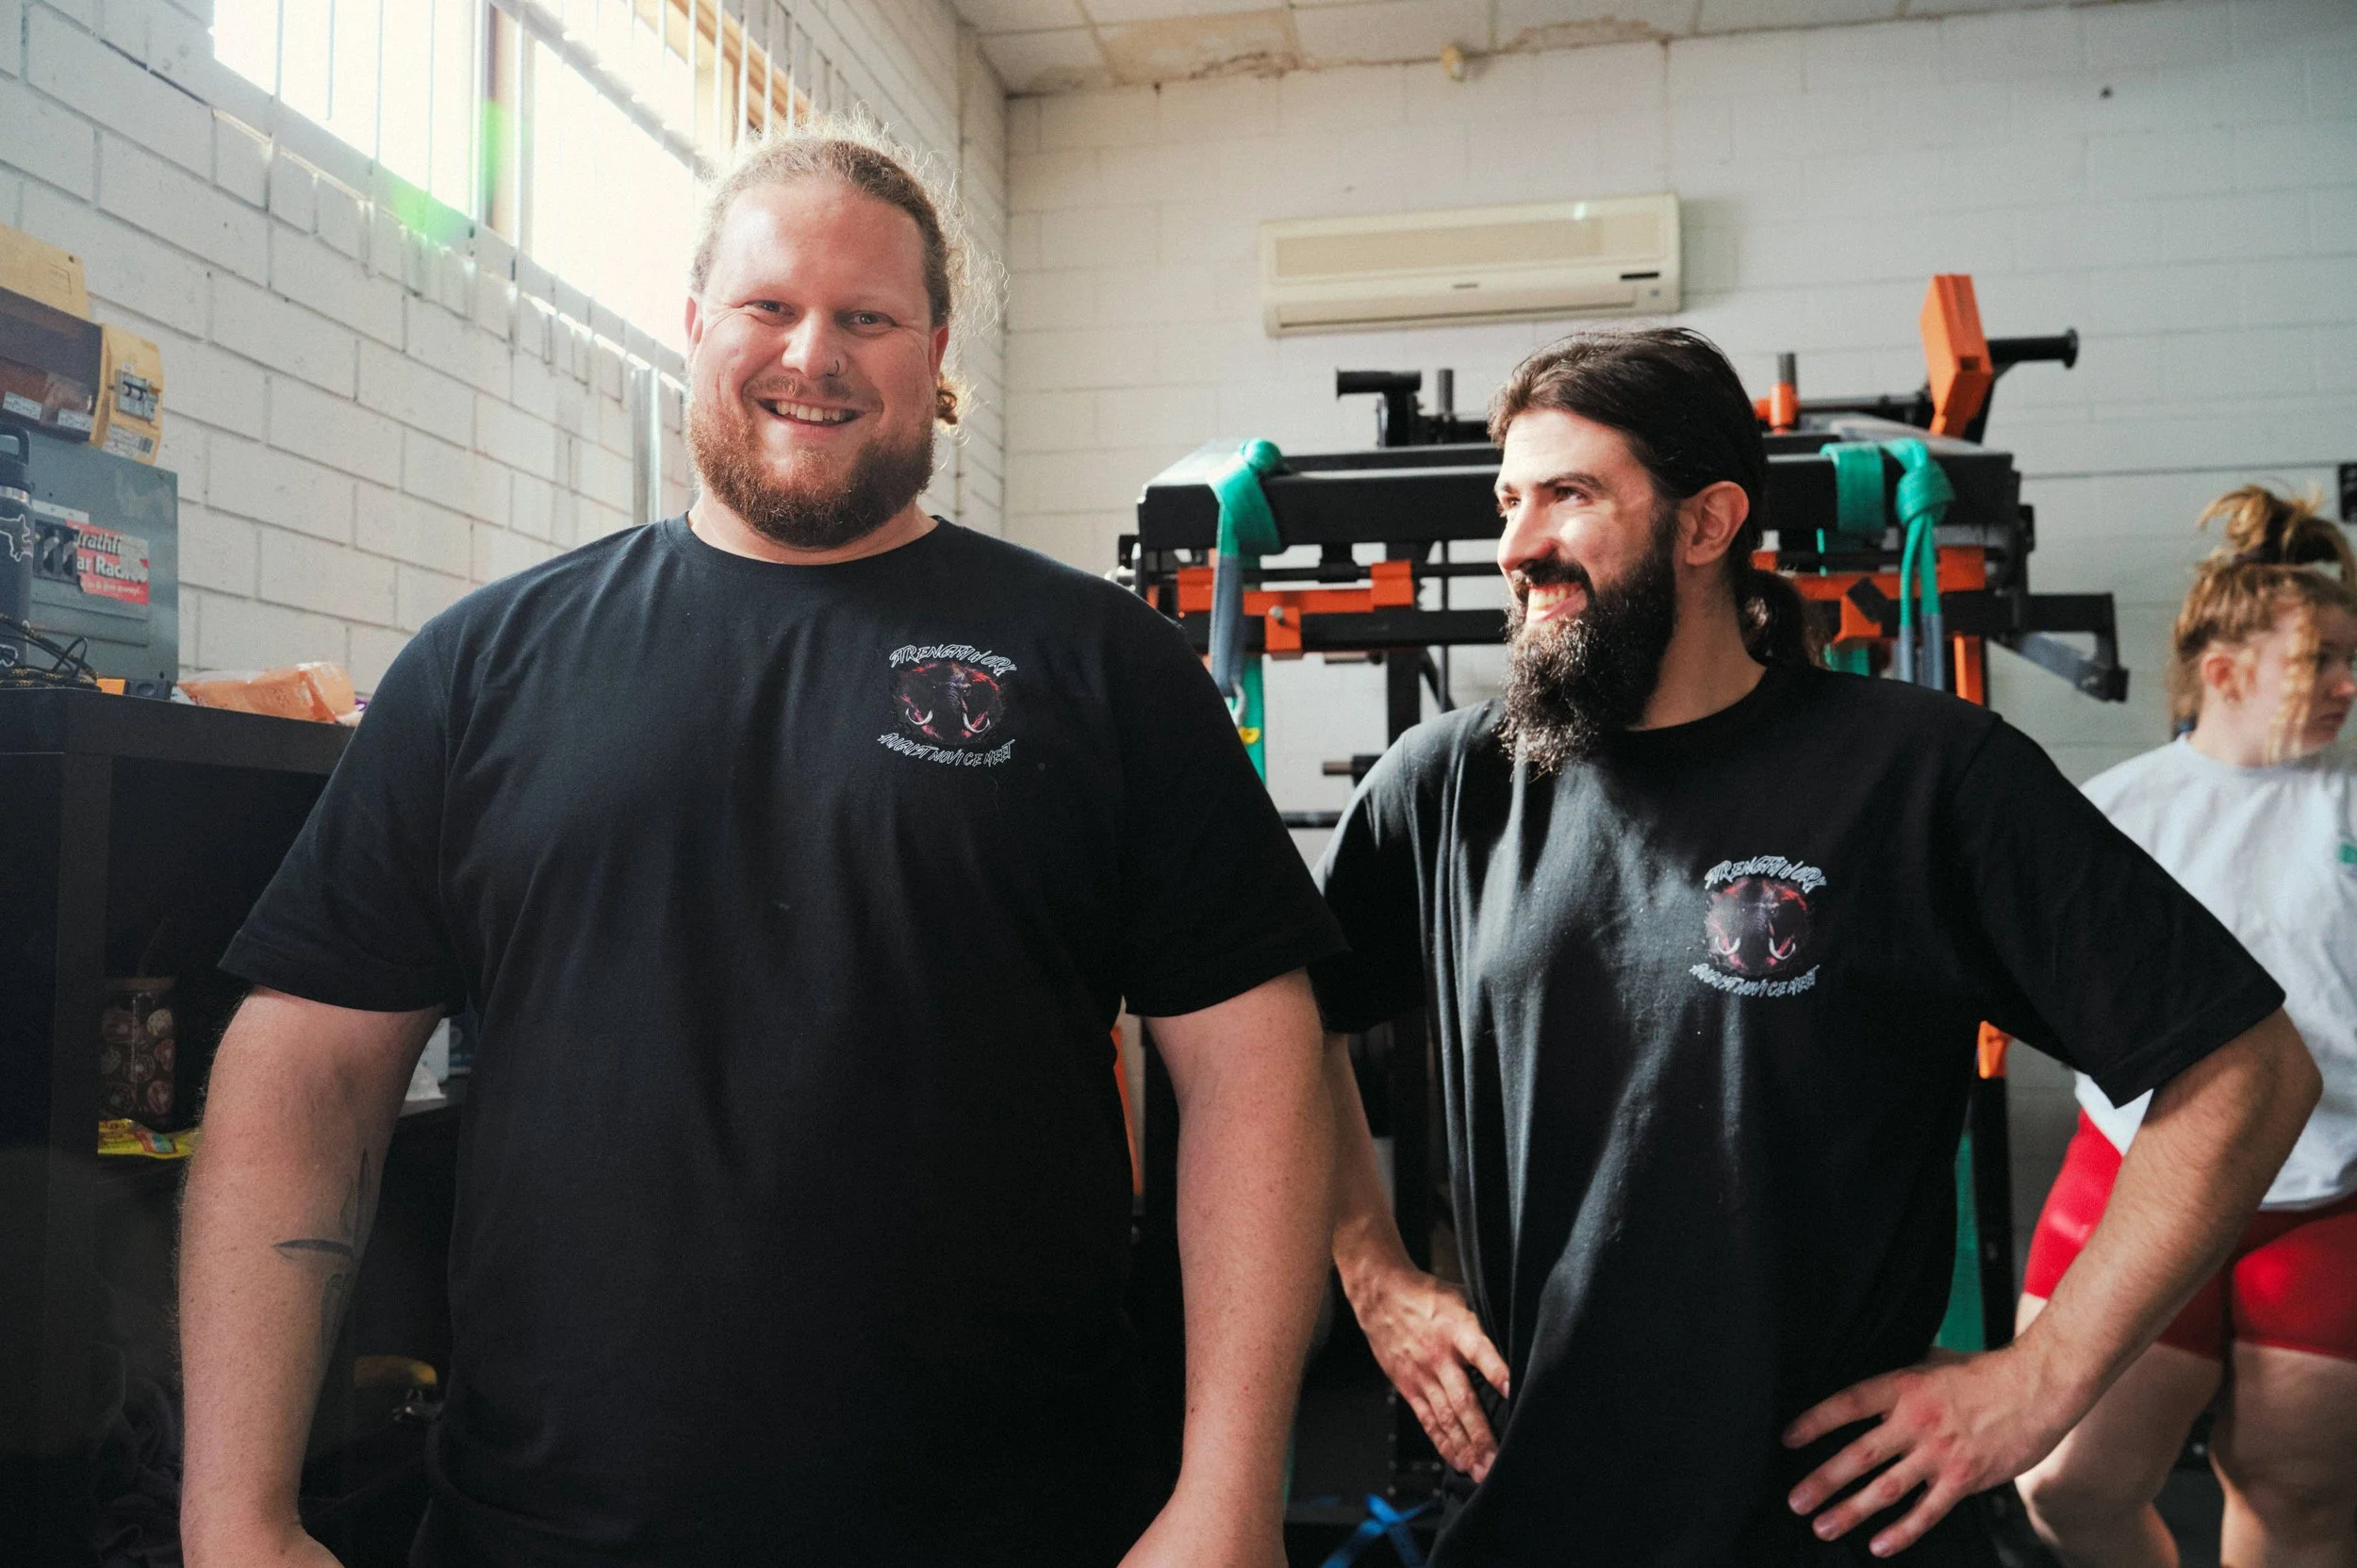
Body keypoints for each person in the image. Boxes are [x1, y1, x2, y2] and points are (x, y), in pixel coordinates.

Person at [177, 121, 1340, 1568]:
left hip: (1019, 1524)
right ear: (691, 326)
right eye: (770, 307)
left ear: (934, 351)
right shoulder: (485, 665)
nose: (815, 353)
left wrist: (1228, 1494)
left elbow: (1255, 1067)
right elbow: (306, 1071)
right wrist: (235, 1514)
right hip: (546, 1531)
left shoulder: (1103, 665)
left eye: (867, 316)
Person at [1310, 328, 2322, 1566]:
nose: (1518, 545)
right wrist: (1372, 1266)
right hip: (1532, 1512)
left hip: (1833, 1524)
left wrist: (2044, 1376)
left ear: (1707, 523)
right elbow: (1281, 1023)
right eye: (1509, 500)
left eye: (1569, 496)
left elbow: (2248, 1068)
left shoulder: (1922, 775)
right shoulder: (1449, 787)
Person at [2015, 487, 2357, 1568]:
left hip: (2323, 1193)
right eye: (2327, 660)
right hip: (2137, 1176)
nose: (2352, 683)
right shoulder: (2118, 810)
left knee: (2297, 1498)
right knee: (2068, 1486)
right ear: (2225, 671)